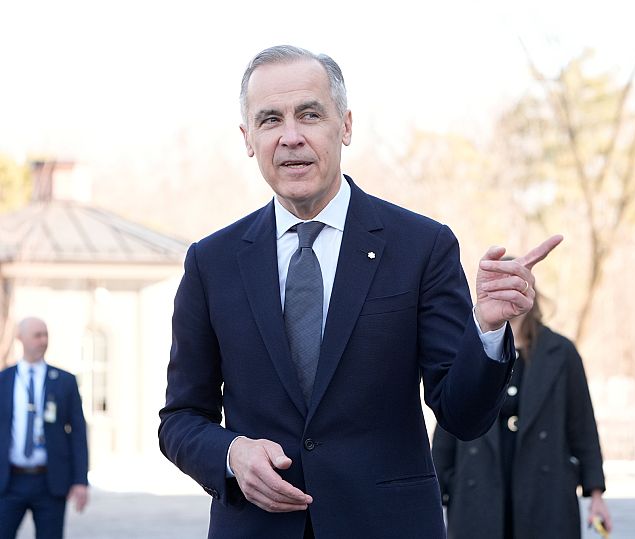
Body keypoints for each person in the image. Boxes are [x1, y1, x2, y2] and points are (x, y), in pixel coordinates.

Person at [157, 45, 563, 538]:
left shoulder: (421, 246)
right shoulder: (211, 262)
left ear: (345, 126)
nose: (291, 137)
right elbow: (180, 418)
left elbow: (464, 415)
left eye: (309, 115)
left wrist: (488, 329)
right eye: (270, 120)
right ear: (248, 138)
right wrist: (230, 453)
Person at [432, 287, 612, 539]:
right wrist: (435, 490)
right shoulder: (470, 348)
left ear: (530, 295)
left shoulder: (561, 352)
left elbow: (582, 427)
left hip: (545, 495)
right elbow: (449, 422)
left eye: (515, 287)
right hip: (478, 493)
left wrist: (596, 495)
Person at [0, 317, 89, 539]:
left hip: (50, 483)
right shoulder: (4, 380)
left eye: (45, 335)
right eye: (37, 335)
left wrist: (80, 480)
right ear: (20, 338)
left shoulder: (64, 381)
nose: (43, 341)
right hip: (9, 481)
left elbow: (78, 432)